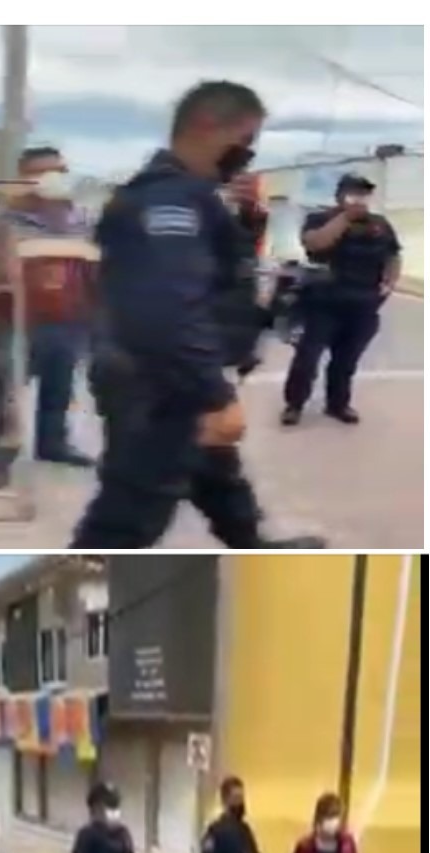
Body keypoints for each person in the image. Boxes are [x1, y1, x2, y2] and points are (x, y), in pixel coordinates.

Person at [70, 81, 323, 549]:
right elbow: (168, 307)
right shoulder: (168, 199)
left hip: (167, 374)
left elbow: (215, 278)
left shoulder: (192, 196)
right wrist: (213, 392)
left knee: (218, 474)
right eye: (244, 141)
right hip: (159, 383)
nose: (245, 155)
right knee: (129, 513)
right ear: (207, 127)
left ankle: (251, 544)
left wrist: (249, 223)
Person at [0, 146, 98, 487]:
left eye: (59, 170)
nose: (52, 178)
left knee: (60, 387)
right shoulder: (3, 223)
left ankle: (53, 443)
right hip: (16, 322)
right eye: (42, 171)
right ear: (23, 178)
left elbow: (94, 269)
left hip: (68, 320)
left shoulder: (82, 220)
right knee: (8, 391)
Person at [280, 173, 403, 427]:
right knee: (307, 358)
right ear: (339, 196)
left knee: (346, 361)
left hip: (363, 305)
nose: (360, 200)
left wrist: (389, 283)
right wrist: (345, 217)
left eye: (364, 195)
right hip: (323, 304)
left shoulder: (380, 224)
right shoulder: (319, 219)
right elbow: (315, 244)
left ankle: (337, 405)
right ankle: (294, 405)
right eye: (353, 194)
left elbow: (393, 254)